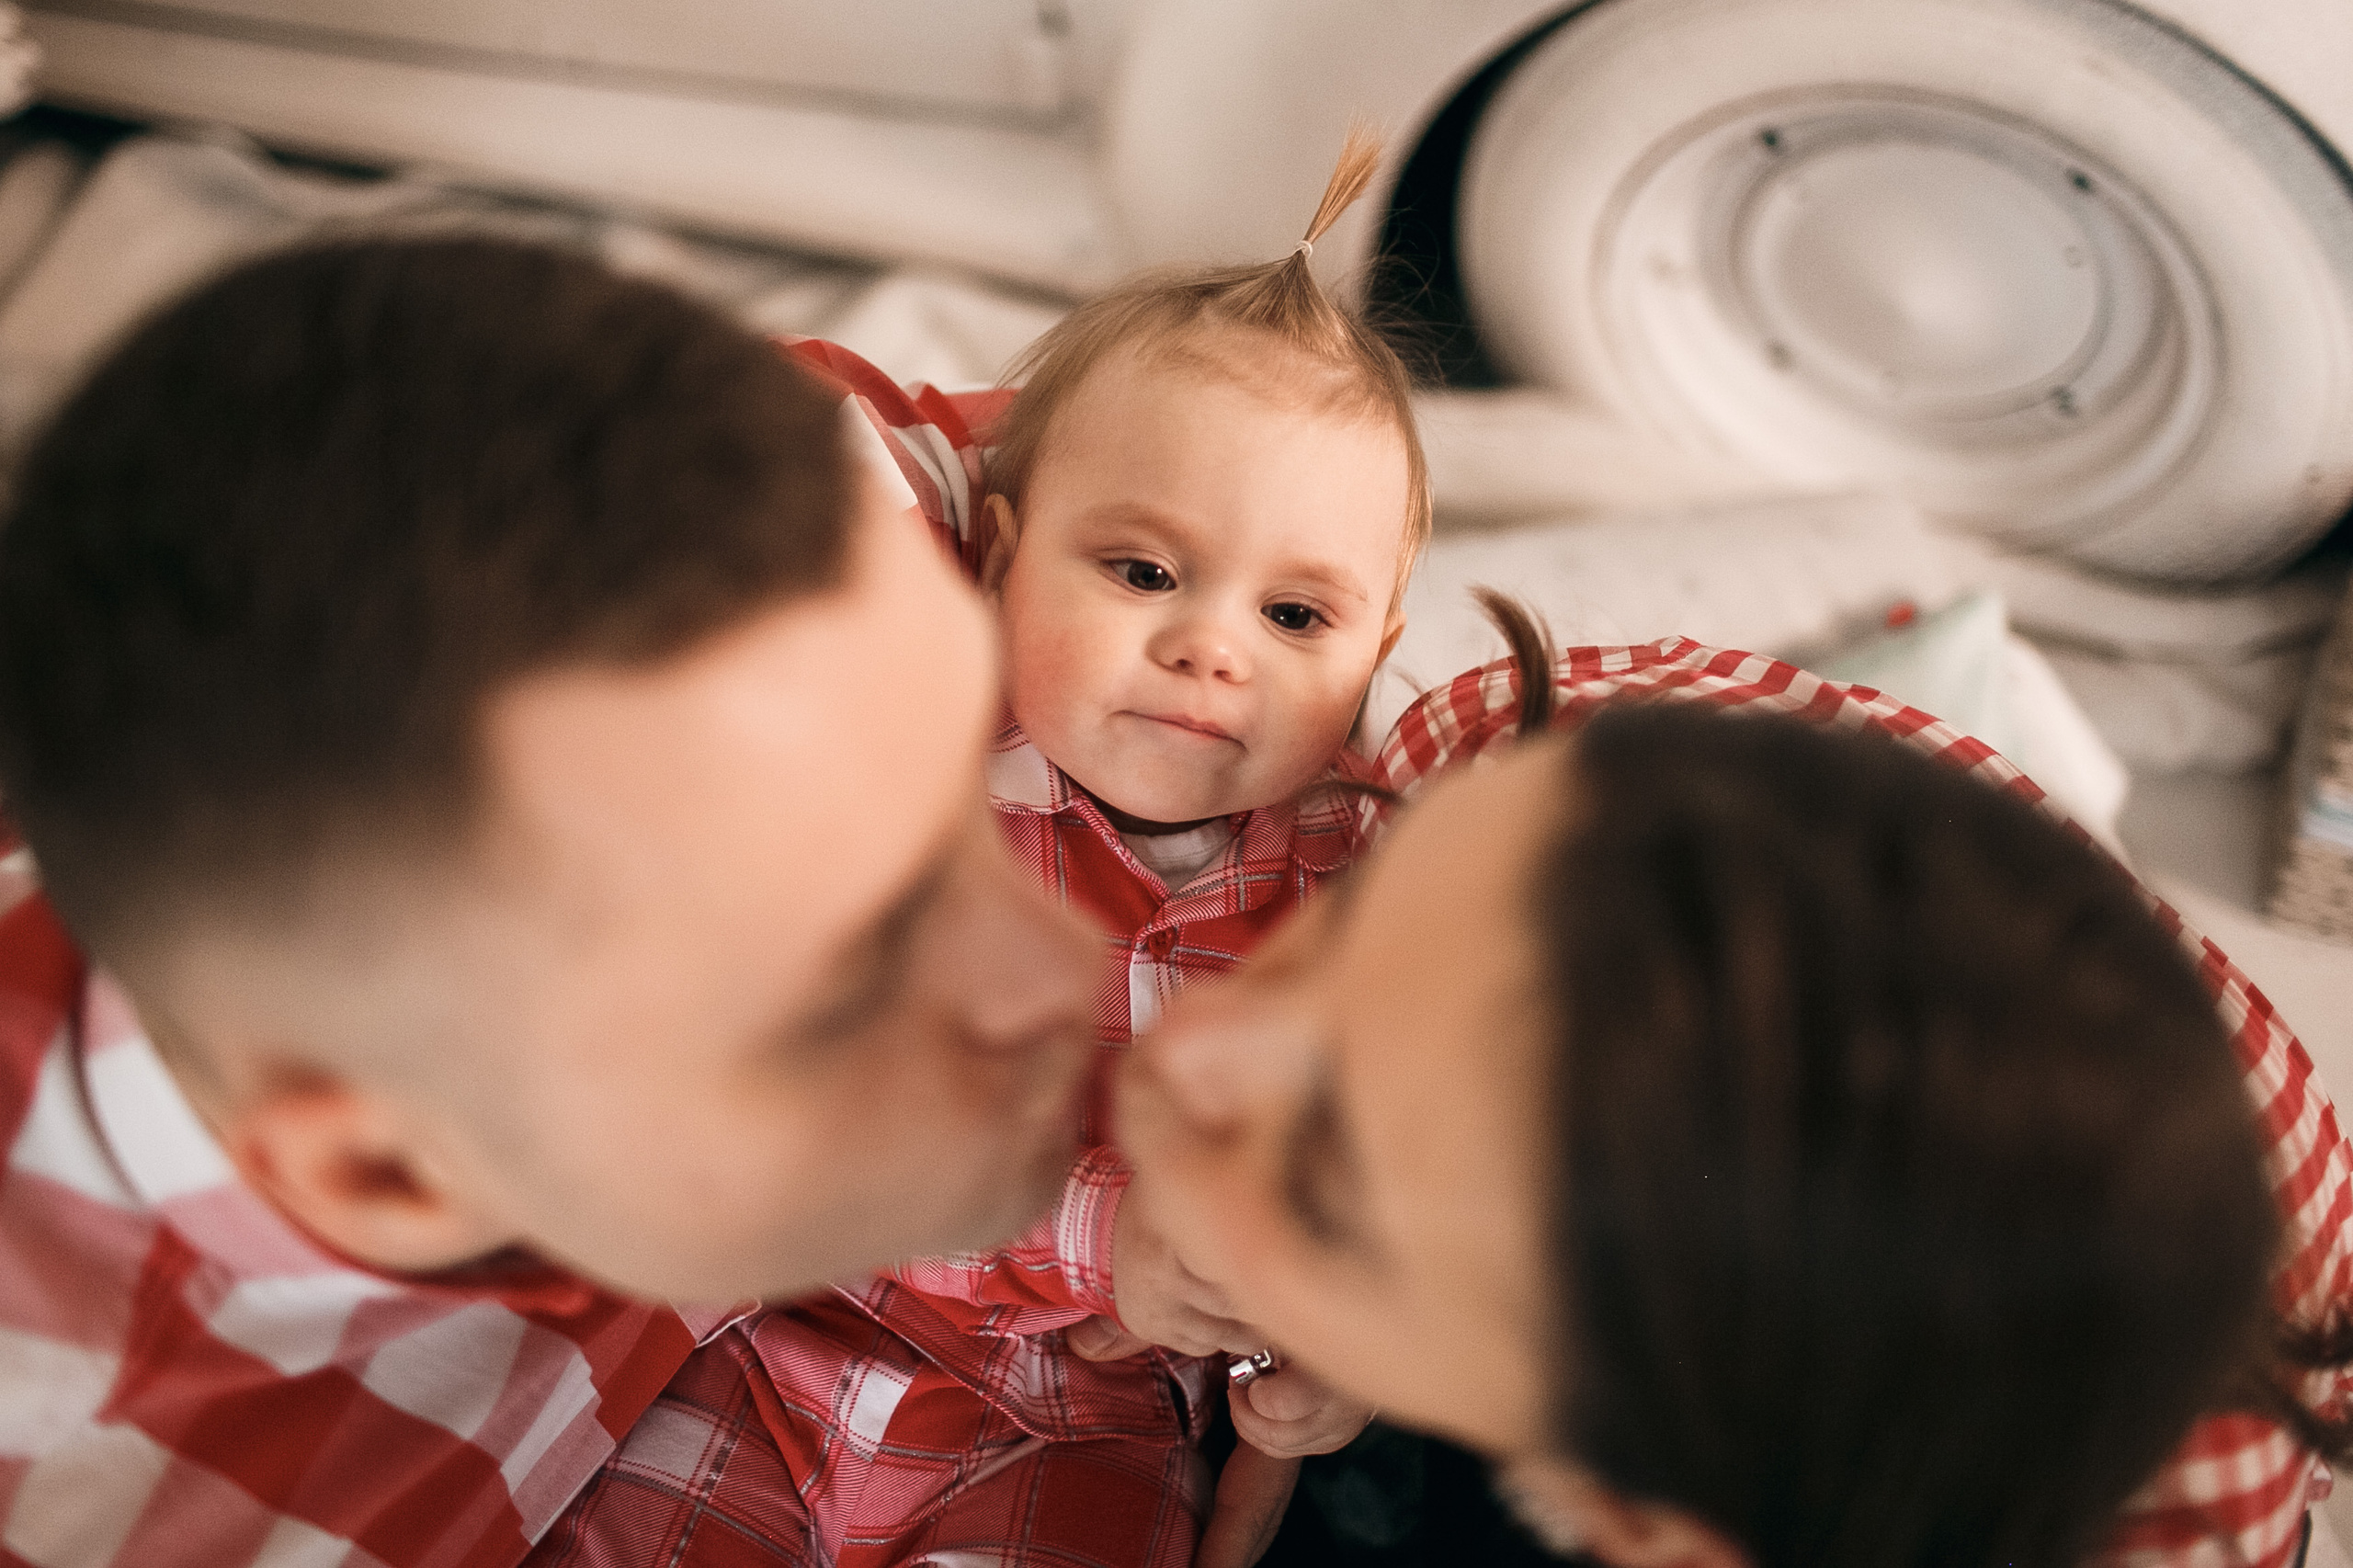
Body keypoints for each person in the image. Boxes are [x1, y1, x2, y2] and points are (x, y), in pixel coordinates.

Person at [0, 236, 1116, 1566]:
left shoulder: (769, 513)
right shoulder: (120, 1510)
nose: (1069, 967)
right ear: (392, 1174)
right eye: (859, 970)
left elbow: (1203, 465)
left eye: (959, 768)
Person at [530, 132, 1422, 1568]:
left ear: (1376, 651)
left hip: (1079, 1427)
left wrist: (1335, 1356)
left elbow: (1398, 1182)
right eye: (1142, 571)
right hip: (768, 1332)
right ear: (1001, 558)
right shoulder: (916, 777)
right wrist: (1105, 1234)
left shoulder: (1365, 885)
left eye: (1298, 618)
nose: (1208, 647)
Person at [1117, 632, 2353, 1568]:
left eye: (1330, 1177)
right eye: (1335, 938)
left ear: (1629, 1514)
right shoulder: (1504, 752)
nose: (1184, 1051)